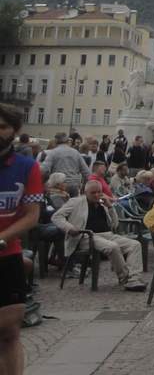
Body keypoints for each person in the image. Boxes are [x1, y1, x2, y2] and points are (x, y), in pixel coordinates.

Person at [0, 103, 44, 375]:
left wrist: (3, 237)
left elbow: (31, 215)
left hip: (7, 255)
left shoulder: (26, 166)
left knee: (9, 332)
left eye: (2, 127)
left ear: (14, 131)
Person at [52, 180, 146, 291]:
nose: (96, 195)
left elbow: (115, 225)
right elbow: (56, 217)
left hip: (107, 235)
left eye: (99, 192)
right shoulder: (75, 202)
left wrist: (110, 207)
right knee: (113, 247)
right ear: (85, 192)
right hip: (86, 236)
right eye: (93, 193)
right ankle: (125, 278)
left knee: (135, 245)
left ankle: (134, 278)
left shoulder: (103, 203)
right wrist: (69, 228)